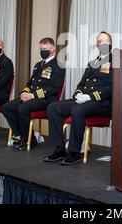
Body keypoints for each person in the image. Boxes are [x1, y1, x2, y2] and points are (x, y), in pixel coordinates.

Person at [44, 32, 113, 165]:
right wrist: (78, 94)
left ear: (110, 43)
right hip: (85, 101)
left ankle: (74, 152)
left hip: (102, 104)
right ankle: (59, 149)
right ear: (97, 45)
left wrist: (89, 96)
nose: (103, 43)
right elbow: (81, 83)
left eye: (106, 41)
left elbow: (112, 88)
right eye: (100, 41)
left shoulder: (116, 61)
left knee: (77, 110)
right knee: (53, 107)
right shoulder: (92, 62)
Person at [2, 38, 65, 151]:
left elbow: (54, 88)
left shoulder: (58, 65)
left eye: (45, 49)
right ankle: (22, 135)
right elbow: (30, 83)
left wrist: (33, 95)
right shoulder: (37, 65)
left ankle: (28, 140)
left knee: (22, 108)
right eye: (41, 49)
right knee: (7, 107)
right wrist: (25, 92)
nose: (42, 51)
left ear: (52, 49)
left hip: (47, 99)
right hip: (32, 97)